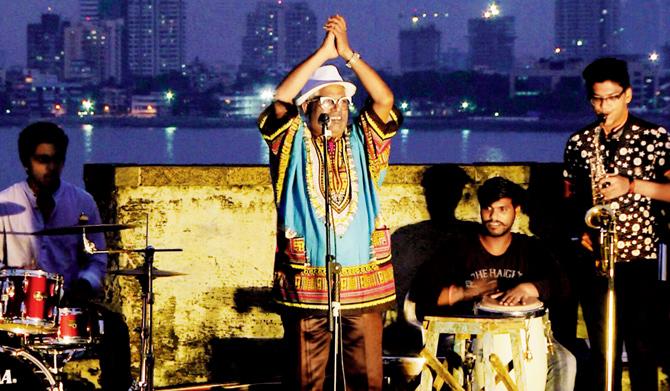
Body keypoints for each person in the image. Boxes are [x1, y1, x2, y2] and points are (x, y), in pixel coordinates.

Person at [257, 15, 402, 390]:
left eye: (342, 102)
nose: (337, 109)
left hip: (364, 280)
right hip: (307, 282)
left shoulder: (362, 143)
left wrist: (348, 55)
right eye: (327, 101)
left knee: (367, 377)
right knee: (306, 379)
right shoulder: (291, 146)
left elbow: (384, 99)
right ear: (309, 108)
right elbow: (281, 99)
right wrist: (323, 54)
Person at [410, 176, 577, 391]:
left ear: (515, 211)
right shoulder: (458, 249)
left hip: (527, 338)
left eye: (502, 209)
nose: (493, 217)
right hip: (467, 337)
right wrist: (464, 292)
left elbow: (563, 286)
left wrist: (530, 288)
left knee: (565, 362)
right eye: (488, 209)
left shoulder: (530, 249)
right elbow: (421, 293)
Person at [563, 57, 670, 391]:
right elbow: (568, 198)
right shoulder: (580, 142)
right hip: (596, 259)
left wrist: (632, 185)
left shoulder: (655, 137)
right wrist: (580, 231)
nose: (603, 107)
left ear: (628, 94)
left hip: (641, 258)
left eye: (611, 98)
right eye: (597, 99)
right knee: (602, 350)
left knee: (643, 348)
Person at [0, 122, 131, 390]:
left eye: (56, 160)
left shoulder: (82, 202)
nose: (50, 167)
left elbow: (97, 256)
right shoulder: (5, 203)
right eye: (42, 160)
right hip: (17, 310)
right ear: (27, 162)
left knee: (115, 328)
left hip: (70, 302)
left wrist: (85, 283)